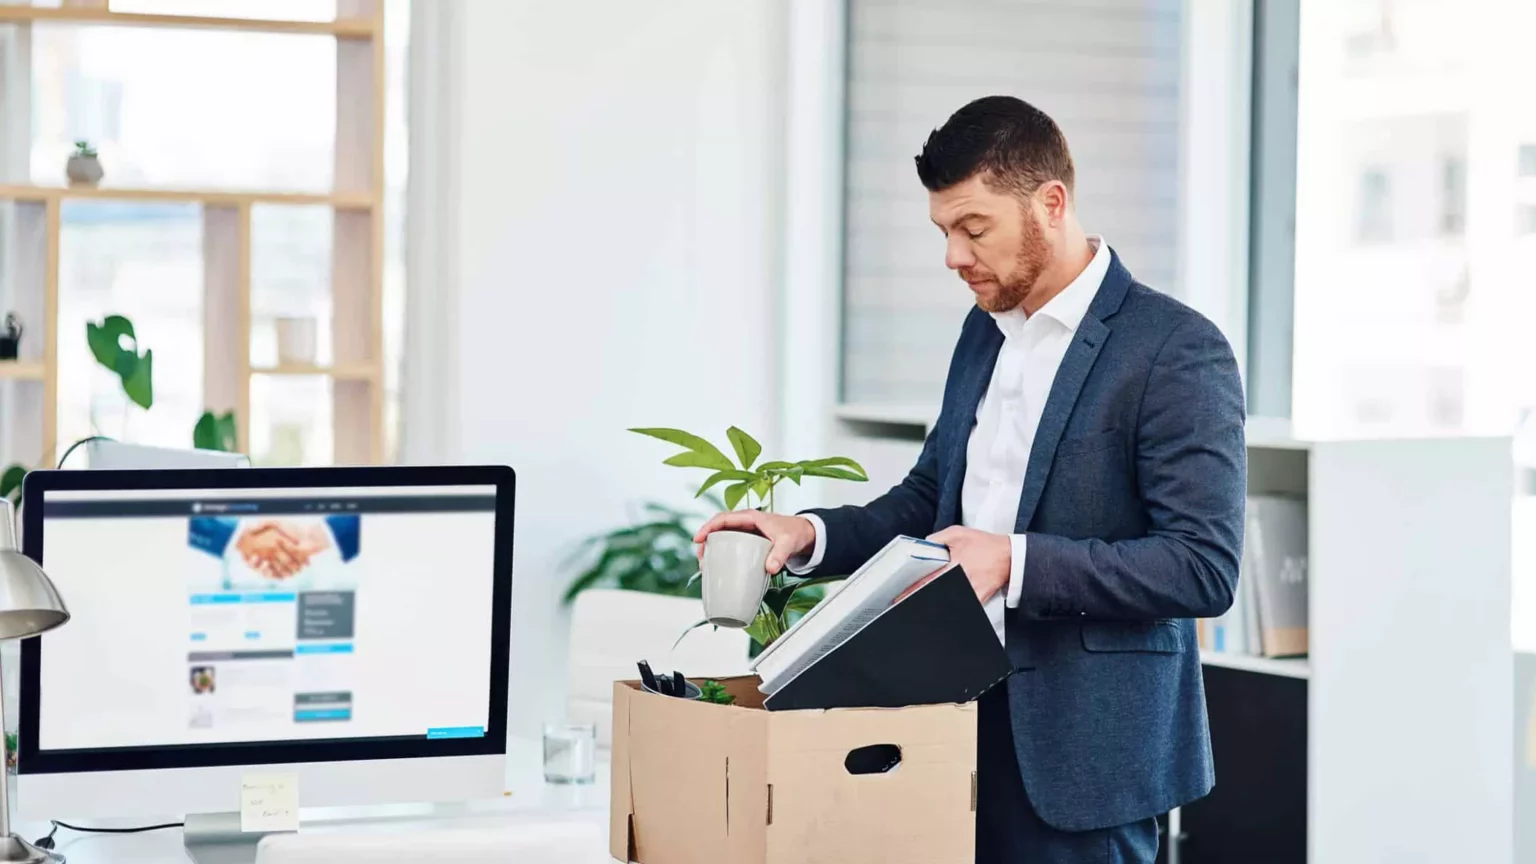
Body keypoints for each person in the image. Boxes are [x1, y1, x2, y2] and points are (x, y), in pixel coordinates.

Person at [694, 96, 1245, 863]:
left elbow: (1201, 566)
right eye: (943, 231)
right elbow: (930, 499)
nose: (953, 255)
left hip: (1080, 756)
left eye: (973, 228)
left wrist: (1011, 561)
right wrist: (806, 533)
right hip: (945, 726)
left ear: (1051, 205)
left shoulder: (1175, 350)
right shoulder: (982, 331)